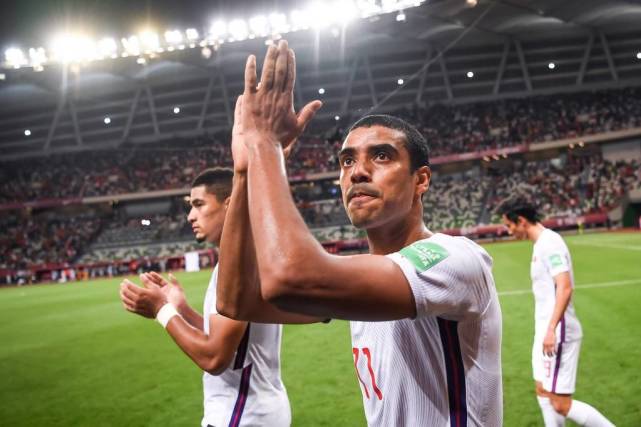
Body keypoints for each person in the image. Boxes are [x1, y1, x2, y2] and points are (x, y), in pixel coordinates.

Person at [216, 39, 502, 426]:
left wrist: (264, 144)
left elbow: (290, 277)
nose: (358, 172)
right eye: (347, 160)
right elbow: (236, 301)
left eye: (381, 156)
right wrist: (244, 171)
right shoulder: (366, 276)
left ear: (421, 180)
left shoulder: (454, 258)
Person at [119, 166, 306, 427]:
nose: (190, 216)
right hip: (258, 408)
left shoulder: (239, 268)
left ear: (230, 205)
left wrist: (161, 309)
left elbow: (214, 357)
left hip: (241, 414)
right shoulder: (242, 260)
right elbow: (227, 337)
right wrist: (182, 309)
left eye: (199, 205)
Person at [498, 196, 615, 427]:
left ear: (521, 220)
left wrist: (551, 329)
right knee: (542, 390)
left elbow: (565, 286)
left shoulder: (550, 243)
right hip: (546, 330)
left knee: (561, 403)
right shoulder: (540, 245)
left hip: (559, 332)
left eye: (509, 225)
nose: (508, 231)